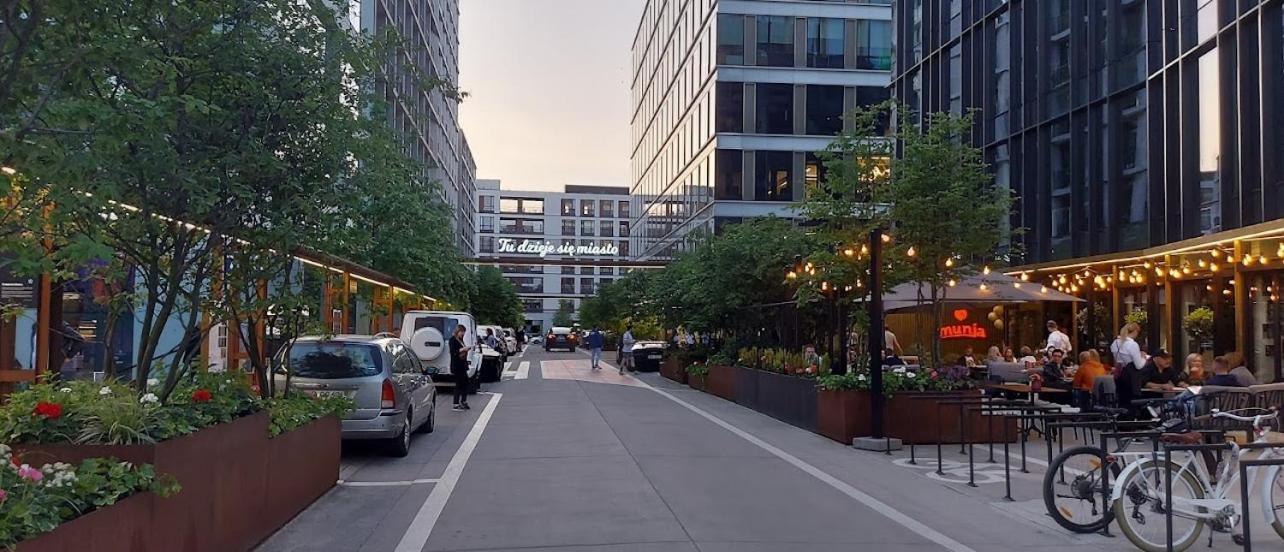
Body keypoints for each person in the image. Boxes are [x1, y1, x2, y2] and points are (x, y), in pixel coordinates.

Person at [1110, 322, 1146, 408]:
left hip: (1119, 373)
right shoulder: (1132, 345)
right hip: (1131, 375)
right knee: (1132, 402)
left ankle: (1122, 418)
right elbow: (1138, 365)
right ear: (1135, 332)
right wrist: (1144, 358)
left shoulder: (1115, 343)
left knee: (1122, 400)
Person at [448, 325, 473, 411]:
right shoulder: (452, 340)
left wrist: (466, 349)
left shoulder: (460, 340)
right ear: (458, 331)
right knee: (459, 384)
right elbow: (453, 352)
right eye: (461, 332)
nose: (463, 334)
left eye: (463, 333)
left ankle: (463, 401)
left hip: (462, 365)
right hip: (457, 365)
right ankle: (457, 402)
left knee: (465, 382)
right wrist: (463, 349)